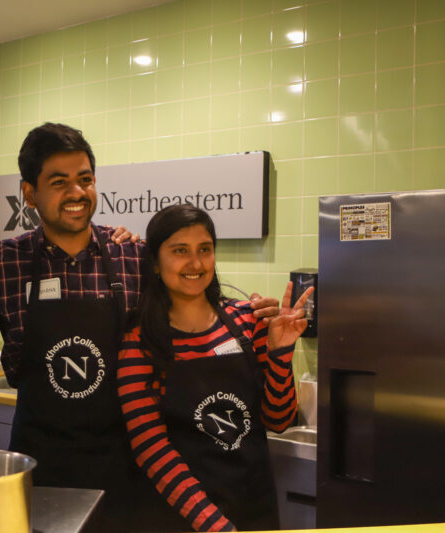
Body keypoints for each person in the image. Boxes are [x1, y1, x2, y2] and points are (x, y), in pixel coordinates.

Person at [0, 123, 282, 530]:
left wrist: (252, 312)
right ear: (29, 193)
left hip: (124, 468)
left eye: (85, 179)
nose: (77, 193)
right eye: (59, 182)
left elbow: (193, 304)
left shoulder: (132, 255)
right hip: (39, 467)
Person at [117, 204, 313, 532]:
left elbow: (278, 420)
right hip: (181, 519)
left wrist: (280, 353)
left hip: (255, 509)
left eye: (204, 250)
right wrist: (217, 527)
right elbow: (150, 448)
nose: (195, 263)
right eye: (180, 251)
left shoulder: (247, 320)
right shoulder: (140, 341)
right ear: (154, 261)